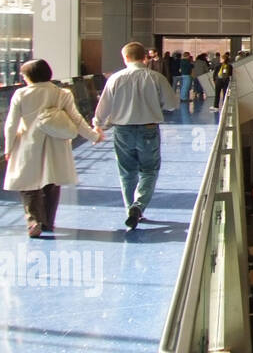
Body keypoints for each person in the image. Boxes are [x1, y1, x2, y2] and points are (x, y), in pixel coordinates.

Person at [3, 58, 102, 237]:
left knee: (28, 184)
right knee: (51, 183)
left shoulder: (21, 94)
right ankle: (48, 221)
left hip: (28, 143)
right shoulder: (62, 93)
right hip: (56, 144)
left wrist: (8, 147)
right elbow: (76, 119)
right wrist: (93, 136)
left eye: (24, 75)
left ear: (29, 76)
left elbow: (11, 124)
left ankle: (34, 221)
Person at [92, 42, 180, 229]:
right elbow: (172, 104)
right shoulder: (155, 77)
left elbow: (103, 108)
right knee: (149, 170)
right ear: (145, 57)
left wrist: (97, 125)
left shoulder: (115, 79)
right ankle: (138, 206)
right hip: (148, 129)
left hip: (122, 130)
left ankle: (130, 209)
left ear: (125, 58)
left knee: (126, 172)